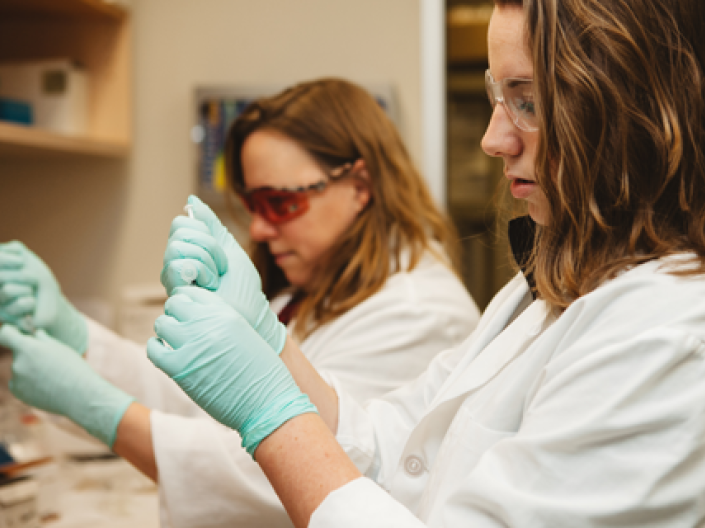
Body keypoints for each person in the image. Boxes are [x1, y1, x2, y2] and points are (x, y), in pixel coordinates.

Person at [118, 0, 705, 526]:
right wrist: (269, 341)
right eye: (498, 97)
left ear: (631, 109)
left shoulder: (665, 330)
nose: (493, 139)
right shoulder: (542, 293)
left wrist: (269, 414)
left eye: (527, 100)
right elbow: (396, 444)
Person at [0, 78, 480, 527]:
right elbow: (201, 398)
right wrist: (77, 336)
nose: (258, 230)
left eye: (281, 203)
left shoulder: (418, 313)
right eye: (253, 204)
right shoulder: (306, 293)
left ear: (359, 187)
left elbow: (291, 470)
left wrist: (98, 409)